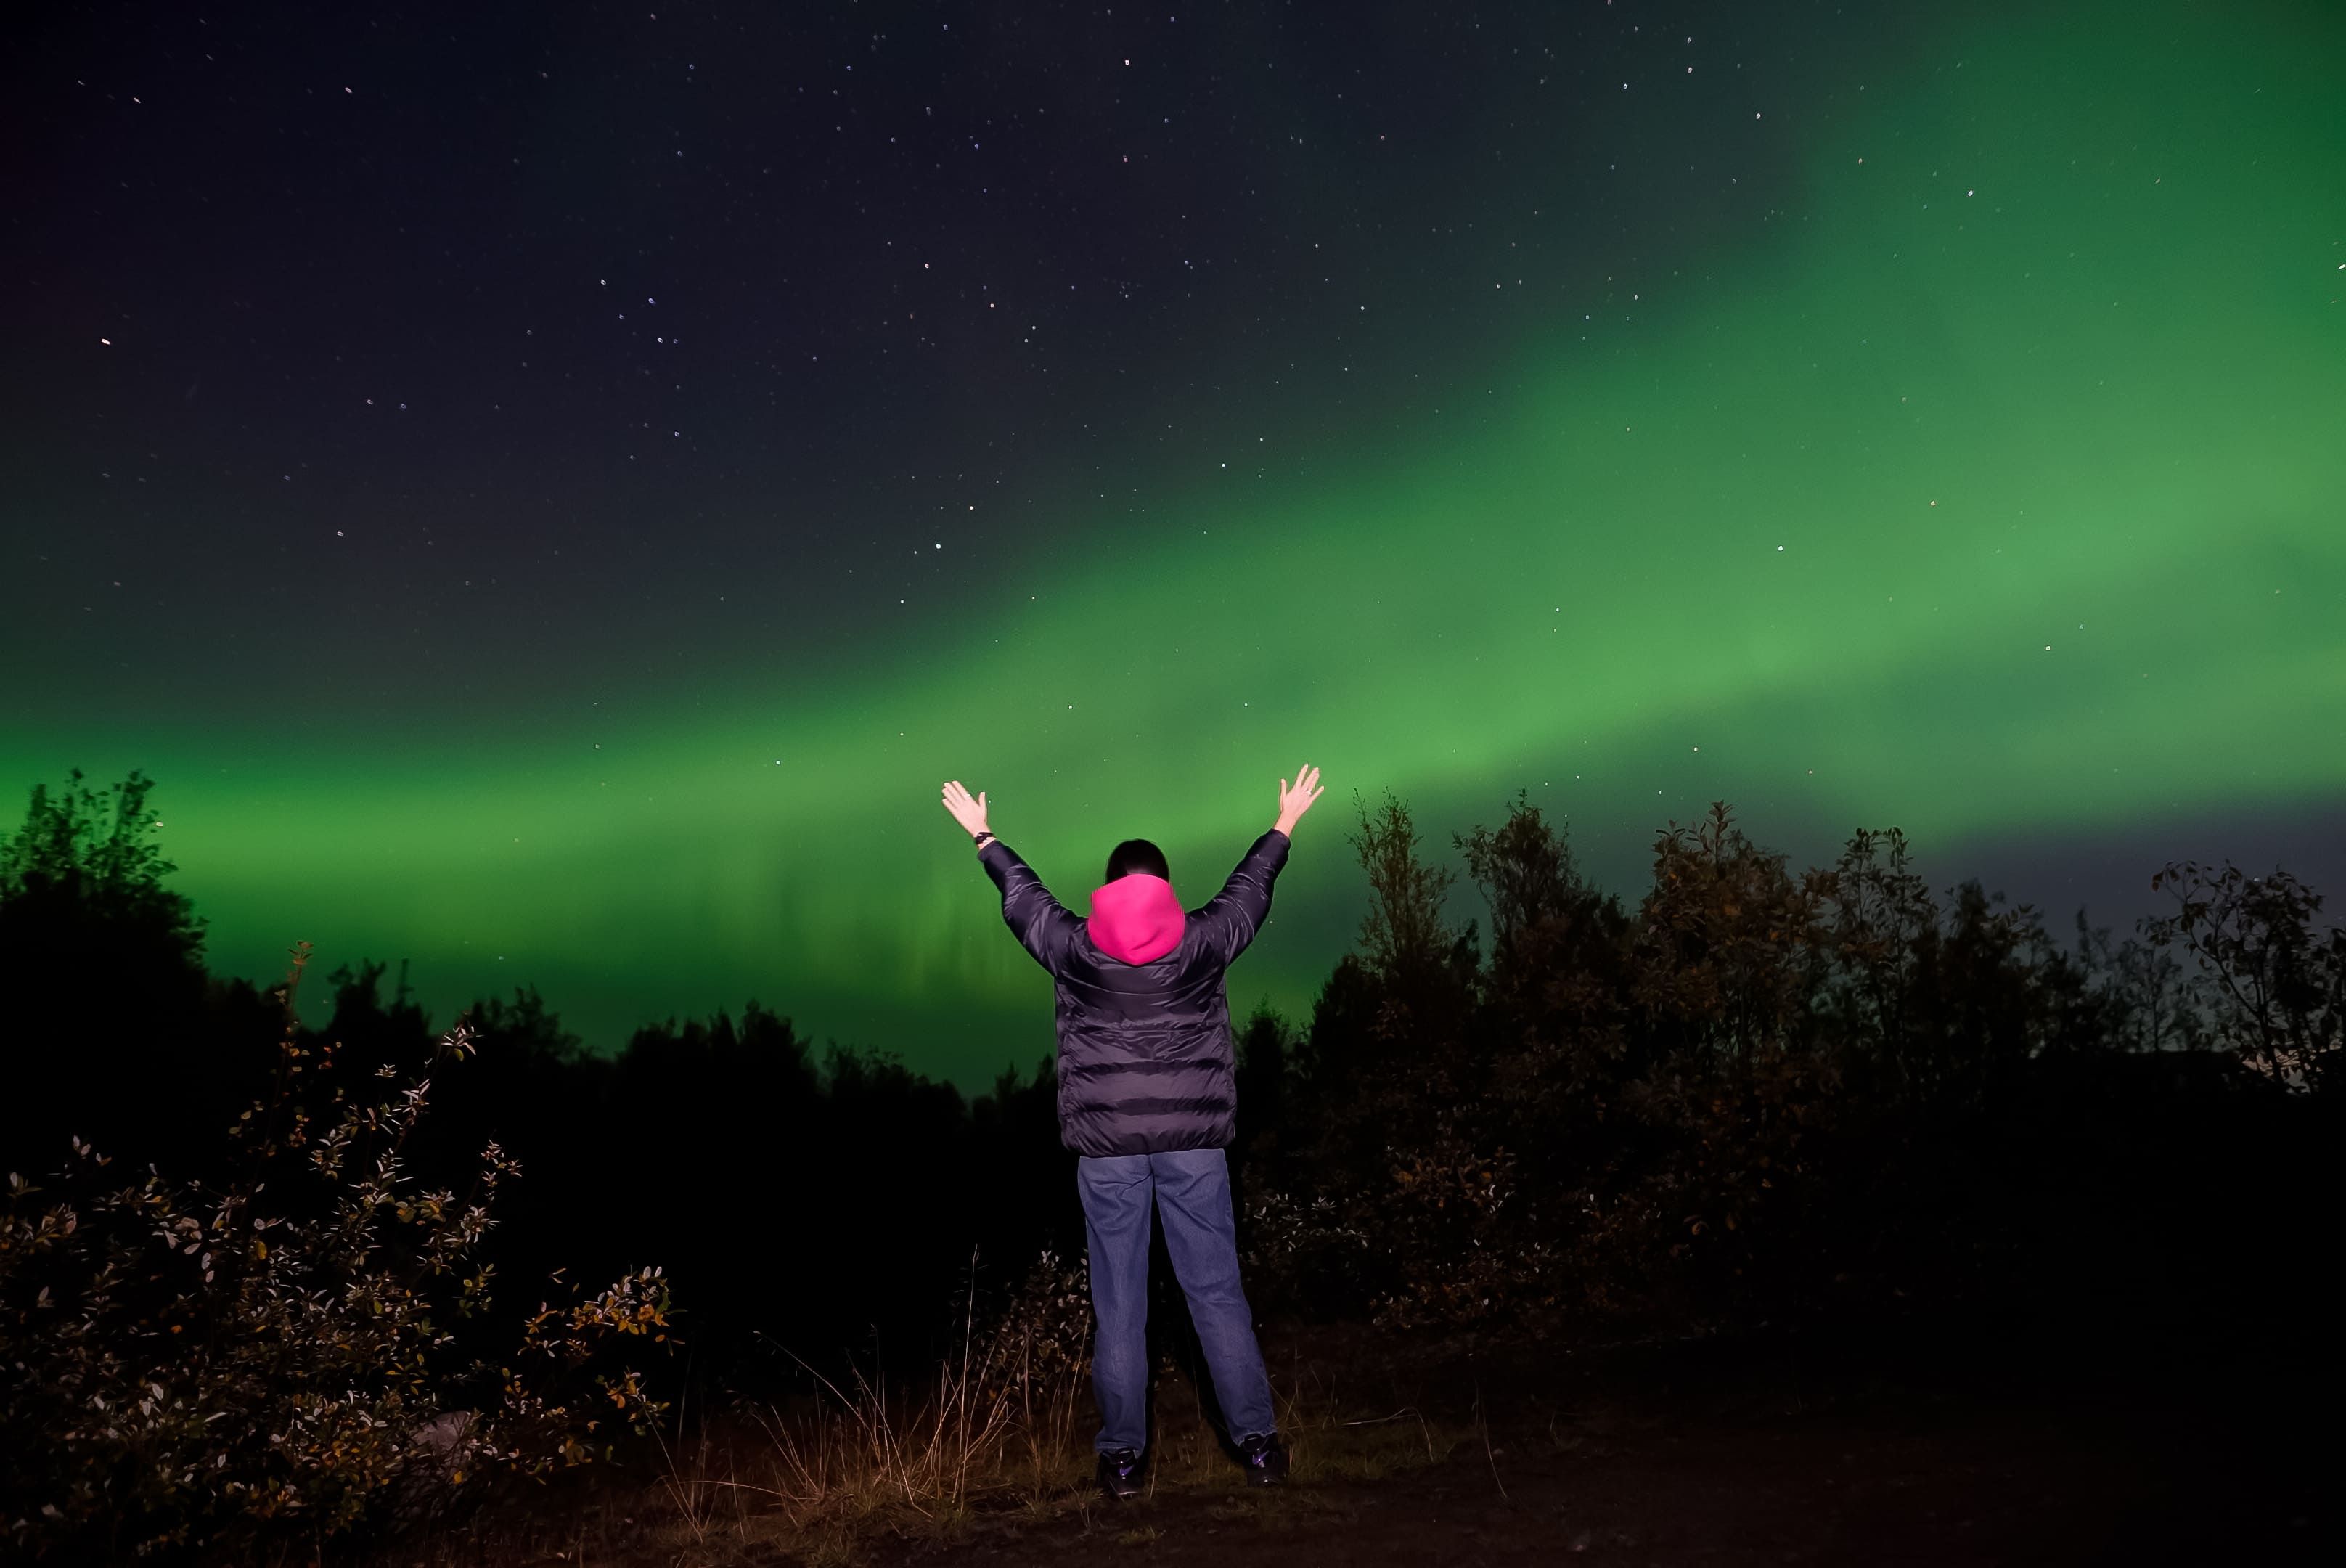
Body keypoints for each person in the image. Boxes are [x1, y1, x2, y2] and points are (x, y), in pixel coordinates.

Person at [939, 764, 1325, 1500]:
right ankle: (1260, 1448)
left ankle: (1120, 1462)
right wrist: (1283, 826)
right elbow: (1248, 896)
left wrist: (985, 836)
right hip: (1194, 1146)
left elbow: (1027, 904)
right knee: (1215, 1294)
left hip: (1107, 1153)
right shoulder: (1201, 942)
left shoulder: (1078, 949)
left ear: (1110, 888)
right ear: (1165, 887)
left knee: (1118, 1306)